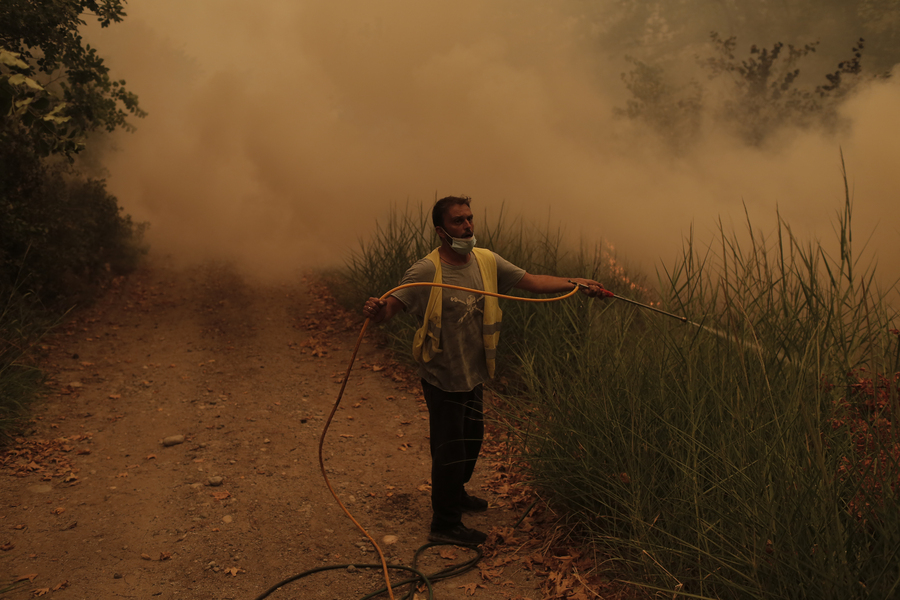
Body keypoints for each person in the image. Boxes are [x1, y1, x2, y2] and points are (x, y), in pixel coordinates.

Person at [362, 196, 612, 546]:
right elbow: (391, 308)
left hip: (474, 372)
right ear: (440, 230)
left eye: (469, 219)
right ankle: (444, 524)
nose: (467, 227)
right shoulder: (426, 271)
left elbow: (534, 282)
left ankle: (457, 495)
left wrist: (577, 282)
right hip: (443, 376)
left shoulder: (486, 260)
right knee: (449, 450)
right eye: (458, 222)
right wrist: (377, 310)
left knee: (471, 442)